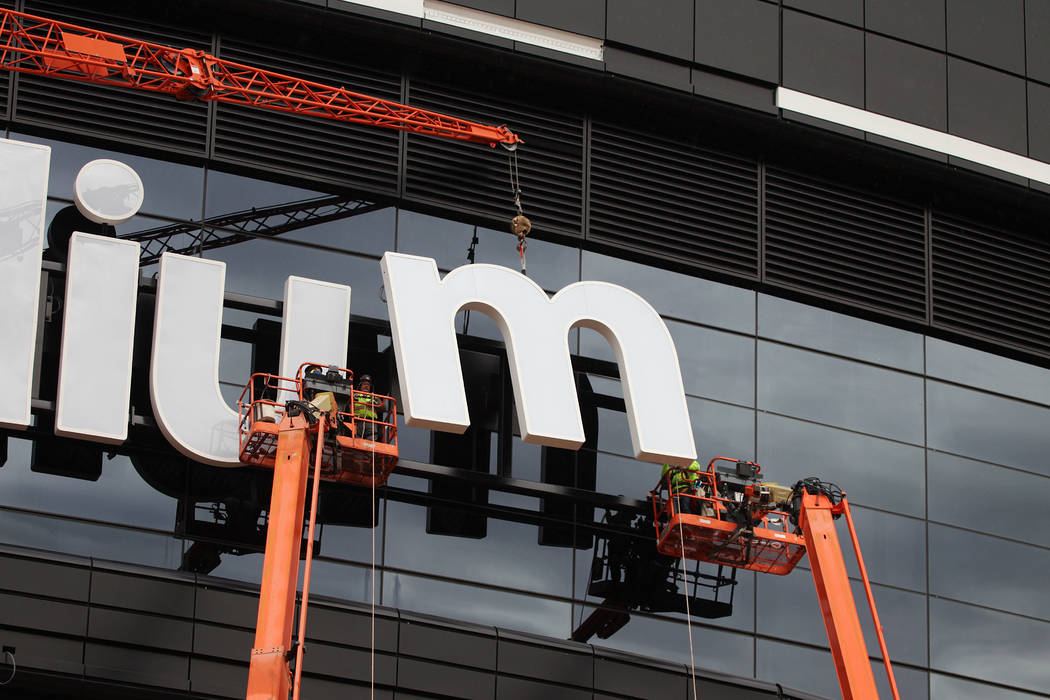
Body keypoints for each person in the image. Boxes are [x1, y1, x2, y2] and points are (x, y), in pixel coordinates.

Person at [352, 374, 385, 441]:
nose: (366, 386)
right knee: (356, 442)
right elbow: (347, 407)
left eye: (368, 384)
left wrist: (375, 403)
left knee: (370, 444)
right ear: (360, 386)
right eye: (364, 384)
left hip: (371, 423)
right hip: (357, 422)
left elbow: (384, 408)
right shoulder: (354, 396)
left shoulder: (374, 397)